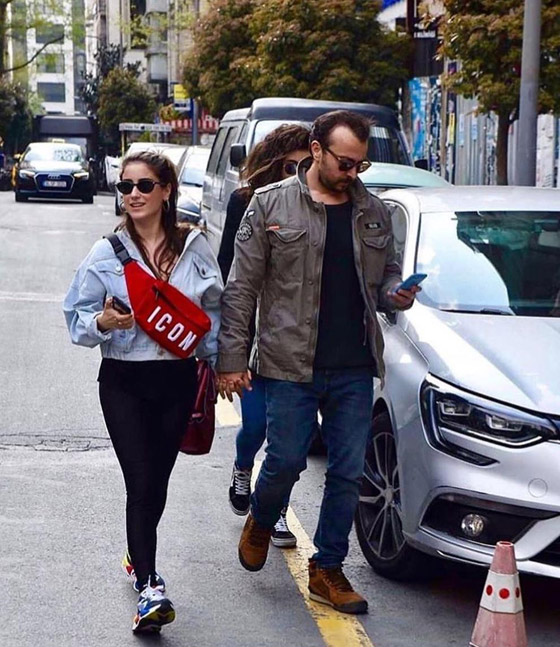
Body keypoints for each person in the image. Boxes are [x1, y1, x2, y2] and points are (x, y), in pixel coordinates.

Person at [216, 110, 419, 615]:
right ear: (315, 150)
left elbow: (386, 276)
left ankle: (327, 568)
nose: (352, 172)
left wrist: (396, 293)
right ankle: (262, 515)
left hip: (354, 364)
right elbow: (240, 289)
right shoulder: (269, 204)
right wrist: (231, 359)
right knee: (285, 460)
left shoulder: (373, 211)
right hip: (288, 362)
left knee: (348, 471)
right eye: (344, 162)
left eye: (360, 164)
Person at [63, 150, 222, 633]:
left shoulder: (194, 247)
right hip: (123, 381)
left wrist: (225, 366)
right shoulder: (106, 252)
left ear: (166, 191)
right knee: (140, 481)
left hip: (177, 380)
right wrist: (103, 322)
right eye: (125, 186)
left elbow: (215, 311)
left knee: (158, 482)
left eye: (144, 185)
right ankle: (151, 588)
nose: (132, 194)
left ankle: (137, 555)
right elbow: (75, 315)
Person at [217, 124, 310, 548]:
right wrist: (227, 345)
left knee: (285, 439)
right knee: (255, 425)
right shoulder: (246, 201)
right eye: (290, 166)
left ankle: (273, 513)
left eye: (306, 166)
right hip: (254, 337)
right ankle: (242, 466)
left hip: (295, 341)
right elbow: (228, 269)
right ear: (273, 165)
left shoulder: (319, 204)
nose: (299, 175)